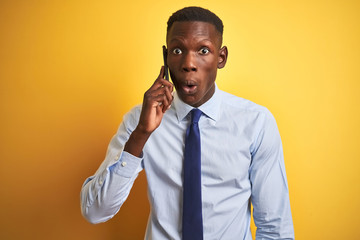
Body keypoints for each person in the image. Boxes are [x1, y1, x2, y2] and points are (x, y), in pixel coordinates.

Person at [80, 6, 294, 240]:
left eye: (203, 50)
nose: (188, 64)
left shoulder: (256, 123)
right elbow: (94, 212)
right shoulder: (140, 120)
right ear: (166, 56)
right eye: (177, 50)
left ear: (221, 58)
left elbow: (275, 228)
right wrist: (141, 134)